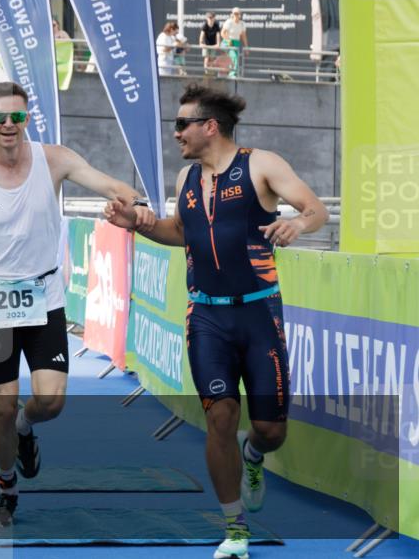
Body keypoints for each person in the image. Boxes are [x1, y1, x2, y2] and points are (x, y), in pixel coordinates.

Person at [103, 84, 328, 559]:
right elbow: (180, 233)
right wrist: (137, 222)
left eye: (182, 124)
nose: (176, 133)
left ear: (210, 126)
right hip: (205, 315)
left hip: (258, 313)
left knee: (271, 431)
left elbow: (316, 210)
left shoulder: (261, 164)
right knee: (219, 418)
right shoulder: (188, 177)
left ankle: (254, 455)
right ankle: (235, 529)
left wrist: (297, 226)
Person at [0, 82, 154, 527]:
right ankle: (7, 488)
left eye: (17, 117)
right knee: (1, 407)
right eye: (0, 118)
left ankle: (26, 430)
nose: (9, 125)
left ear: (28, 119)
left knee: (51, 402)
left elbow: (107, 182)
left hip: (44, 298)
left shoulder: (54, 159)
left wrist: (135, 201)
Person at [222, 7, 250, 78]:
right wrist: (228, 41)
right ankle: (232, 74)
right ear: (232, 14)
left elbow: (244, 36)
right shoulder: (229, 22)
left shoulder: (242, 24)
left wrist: (246, 47)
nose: (236, 15)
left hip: (236, 42)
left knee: (235, 58)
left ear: (240, 15)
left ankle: (231, 73)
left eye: (238, 14)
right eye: (235, 13)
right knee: (234, 56)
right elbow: (222, 33)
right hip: (227, 42)